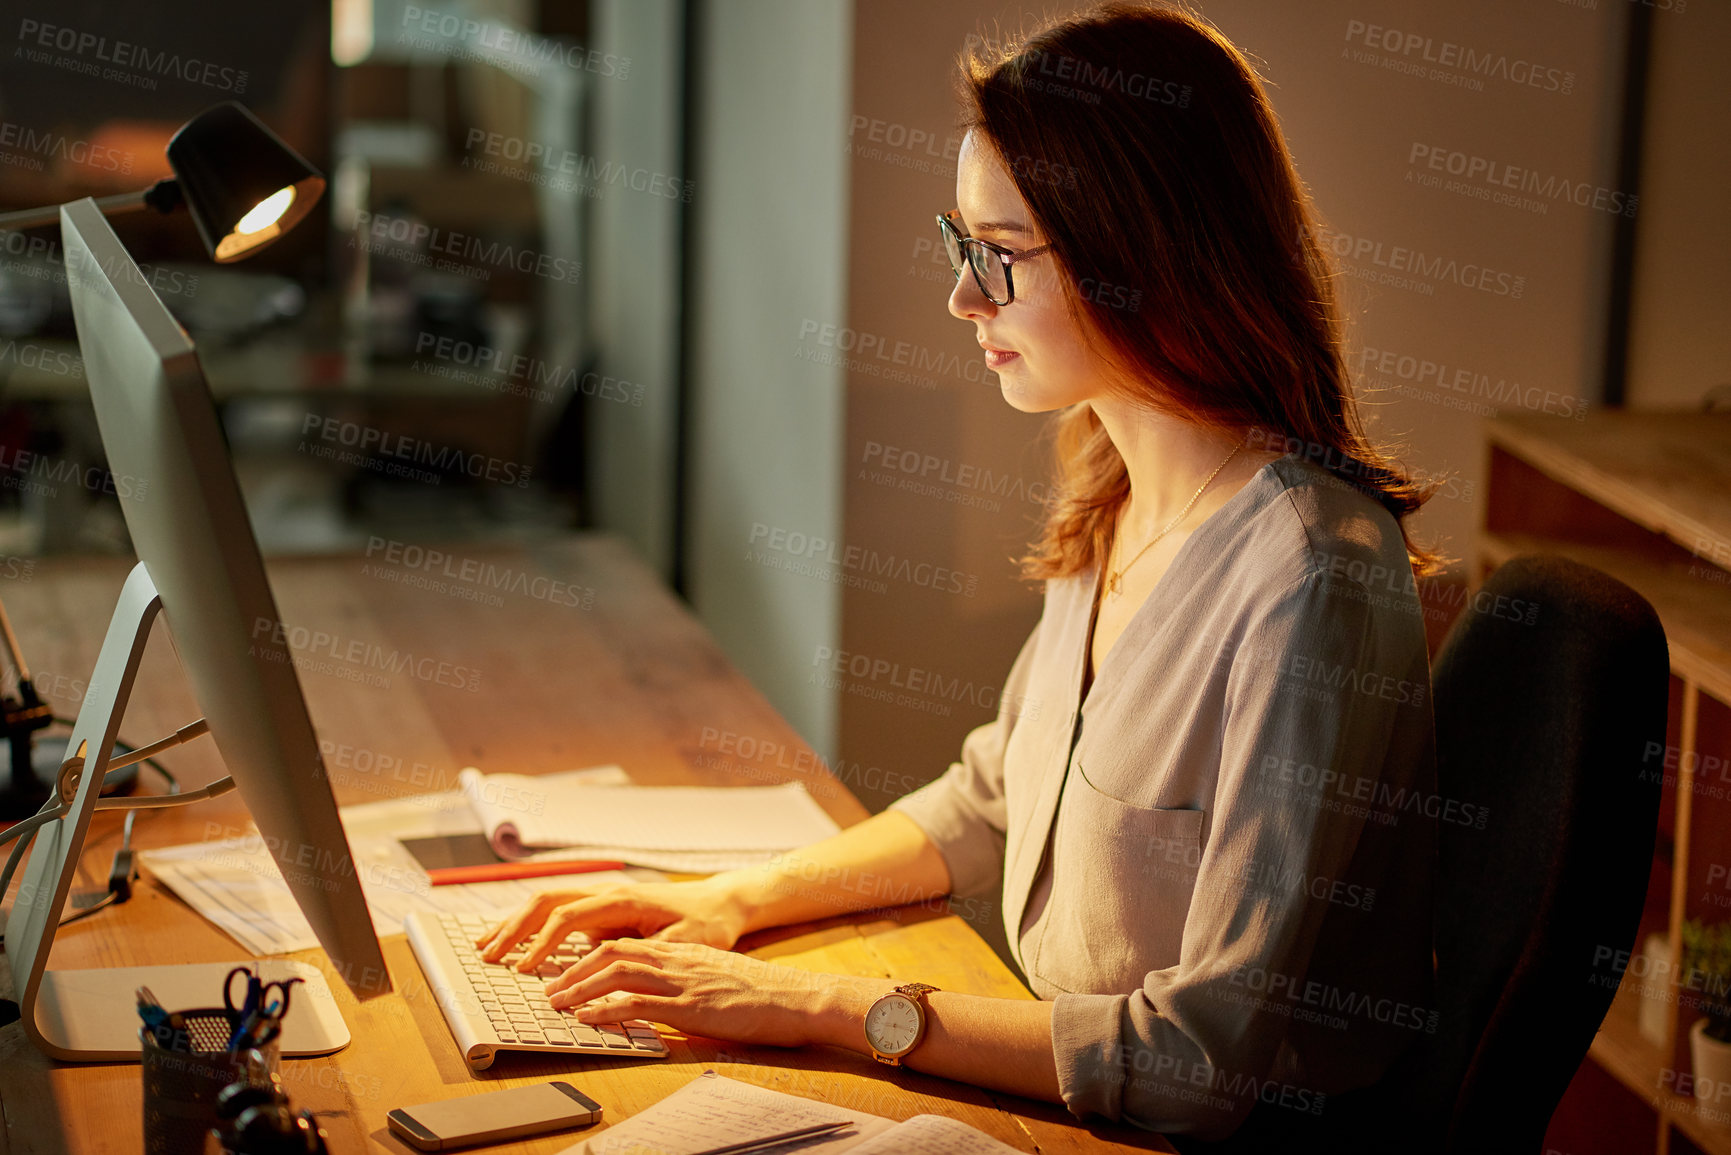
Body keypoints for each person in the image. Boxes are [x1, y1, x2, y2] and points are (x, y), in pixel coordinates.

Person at [476, 1, 1442, 1143]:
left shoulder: (1308, 581)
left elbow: (1201, 1060)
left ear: (1143, 256)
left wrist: (825, 1008)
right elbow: (992, 796)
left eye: (1002, 258)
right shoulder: (1118, 487)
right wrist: (727, 904)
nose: (963, 298)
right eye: (960, 244)